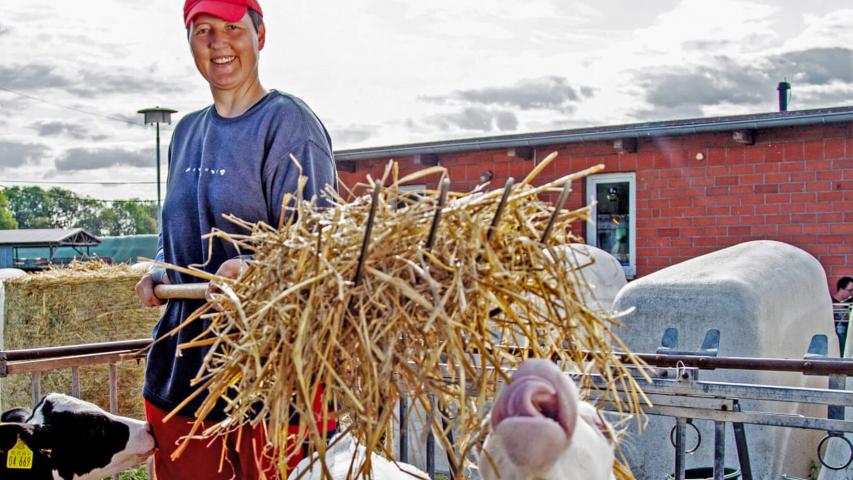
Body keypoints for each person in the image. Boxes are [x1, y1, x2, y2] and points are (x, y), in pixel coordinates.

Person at [134, 0, 338, 478]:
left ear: (260, 36)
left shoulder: (288, 124)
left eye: (232, 28)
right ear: (189, 42)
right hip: (182, 382)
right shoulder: (185, 132)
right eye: (203, 30)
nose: (218, 43)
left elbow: (322, 244)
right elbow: (178, 237)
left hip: (271, 389)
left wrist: (257, 267)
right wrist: (161, 268)